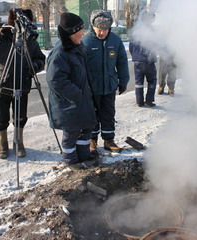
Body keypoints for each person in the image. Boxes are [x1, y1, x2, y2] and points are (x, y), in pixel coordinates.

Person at [0, 9, 46, 159]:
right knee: (1, 117)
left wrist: (33, 67)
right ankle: (2, 143)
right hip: (2, 83)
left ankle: (18, 141)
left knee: (20, 116)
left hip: (22, 84)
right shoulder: (1, 36)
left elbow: (41, 59)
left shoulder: (29, 39)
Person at [46, 12, 96, 166]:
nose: (83, 33)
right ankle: (71, 161)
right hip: (69, 103)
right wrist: (76, 94)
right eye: (80, 30)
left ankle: (84, 156)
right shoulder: (61, 53)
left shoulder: (77, 47)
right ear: (71, 33)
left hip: (81, 99)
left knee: (86, 128)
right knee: (72, 132)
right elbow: (55, 80)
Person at [82, 10, 129, 155]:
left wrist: (123, 80)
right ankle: (92, 140)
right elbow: (80, 67)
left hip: (109, 85)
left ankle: (109, 140)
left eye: (105, 29)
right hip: (92, 87)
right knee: (92, 114)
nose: (102, 32)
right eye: (99, 29)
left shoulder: (115, 40)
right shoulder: (85, 41)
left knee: (108, 113)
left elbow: (122, 62)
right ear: (93, 26)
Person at [129, 12, 157, 107]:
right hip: (149, 61)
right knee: (152, 81)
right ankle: (149, 100)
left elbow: (131, 46)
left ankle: (139, 101)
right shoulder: (153, 31)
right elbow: (156, 46)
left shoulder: (136, 30)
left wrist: (135, 56)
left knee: (138, 82)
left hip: (138, 61)